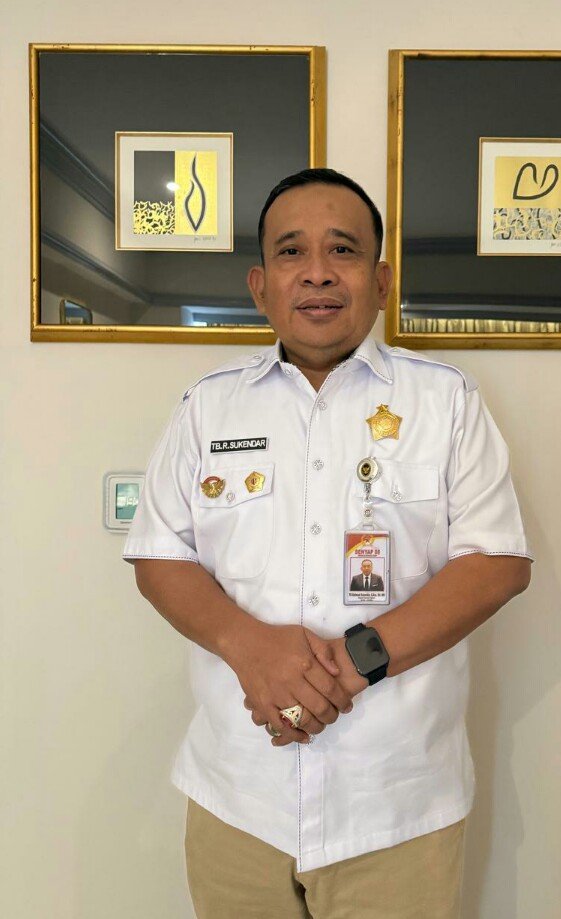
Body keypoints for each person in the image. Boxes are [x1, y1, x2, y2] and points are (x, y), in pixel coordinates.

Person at [124, 168, 533, 918]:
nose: (317, 271)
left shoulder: (445, 400)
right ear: (260, 285)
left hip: (397, 801)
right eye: (291, 251)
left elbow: (496, 563)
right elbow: (159, 556)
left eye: (342, 249)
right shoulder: (207, 408)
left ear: (380, 281)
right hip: (238, 795)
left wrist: (348, 666)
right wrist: (252, 650)